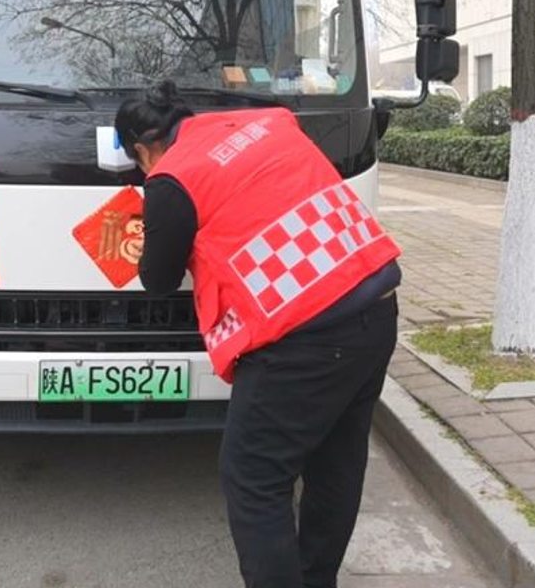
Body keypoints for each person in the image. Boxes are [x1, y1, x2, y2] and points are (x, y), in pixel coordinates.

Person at [116, 81, 403, 588]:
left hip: (304, 338)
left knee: (253, 478)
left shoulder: (171, 178)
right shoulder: (267, 122)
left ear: (142, 149)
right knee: (336, 463)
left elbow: (158, 279)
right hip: (376, 307)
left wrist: (150, 233)